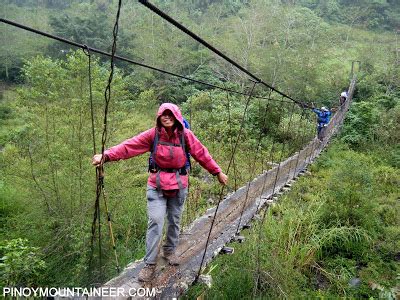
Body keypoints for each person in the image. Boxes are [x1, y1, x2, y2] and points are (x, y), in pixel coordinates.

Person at [92, 103, 228, 282]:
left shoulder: (185, 135)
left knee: (174, 220)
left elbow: (201, 153)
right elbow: (129, 146)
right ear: (159, 117)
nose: (167, 117)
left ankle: (170, 251)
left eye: (170, 114)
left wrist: (217, 172)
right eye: (163, 114)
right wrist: (106, 156)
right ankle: (149, 263)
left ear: (177, 116)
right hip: (156, 185)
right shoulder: (153, 134)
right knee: (155, 221)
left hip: (179, 185)